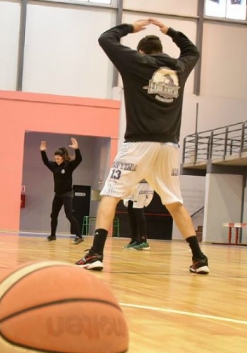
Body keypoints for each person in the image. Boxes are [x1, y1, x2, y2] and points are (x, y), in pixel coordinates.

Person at [77, 18, 209, 273]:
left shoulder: (135, 62)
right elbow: (193, 50)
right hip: (169, 146)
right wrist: (171, 31)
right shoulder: (179, 67)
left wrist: (130, 28)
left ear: (141, 51)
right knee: (174, 202)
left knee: (110, 196)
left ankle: (95, 254)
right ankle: (199, 258)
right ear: (161, 49)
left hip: (138, 144)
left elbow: (106, 38)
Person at [40, 138, 84, 244]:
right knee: (53, 214)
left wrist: (77, 149)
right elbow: (46, 161)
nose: (56, 160)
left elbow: (79, 160)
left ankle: (79, 236)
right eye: (55, 158)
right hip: (58, 194)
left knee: (69, 215)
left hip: (67, 194)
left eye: (58, 158)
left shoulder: (68, 166)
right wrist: (42, 151)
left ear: (63, 158)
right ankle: (52, 235)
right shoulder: (54, 166)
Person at [122, 180, 153, 250]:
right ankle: (135, 239)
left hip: (143, 184)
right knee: (131, 211)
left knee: (138, 210)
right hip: (132, 183)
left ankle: (143, 240)